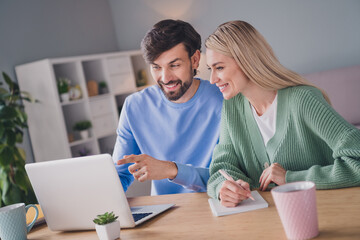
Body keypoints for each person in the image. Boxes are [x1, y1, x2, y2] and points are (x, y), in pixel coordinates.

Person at [206, 20, 360, 207]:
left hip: (325, 214)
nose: (213, 79)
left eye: (219, 68)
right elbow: (221, 168)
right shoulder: (232, 107)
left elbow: (356, 158)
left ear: (246, 60)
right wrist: (226, 188)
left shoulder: (303, 100)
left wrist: (291, 178)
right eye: (210, 69)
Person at [113, 19, 223, 195]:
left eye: (174, 65)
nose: (165, 78)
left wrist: (173, 170)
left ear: (195, 60)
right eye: (156, 67)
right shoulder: (134, 106)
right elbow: (119, 174)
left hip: (216, 205)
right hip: (164, 212)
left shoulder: (223, 100)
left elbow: (229, 177)